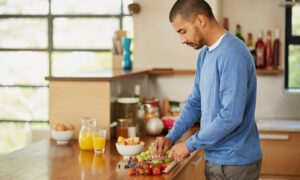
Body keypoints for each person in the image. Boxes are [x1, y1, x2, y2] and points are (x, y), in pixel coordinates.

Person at [151, 0, 262, 179]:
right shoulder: (205, 54)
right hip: (214, 158)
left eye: (183, 31)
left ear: (201, 20)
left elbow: (231, 116)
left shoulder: (232, 52)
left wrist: (189, 145)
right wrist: (170, 138)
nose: (181, 40)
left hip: (235, 163)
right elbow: (195, 102)